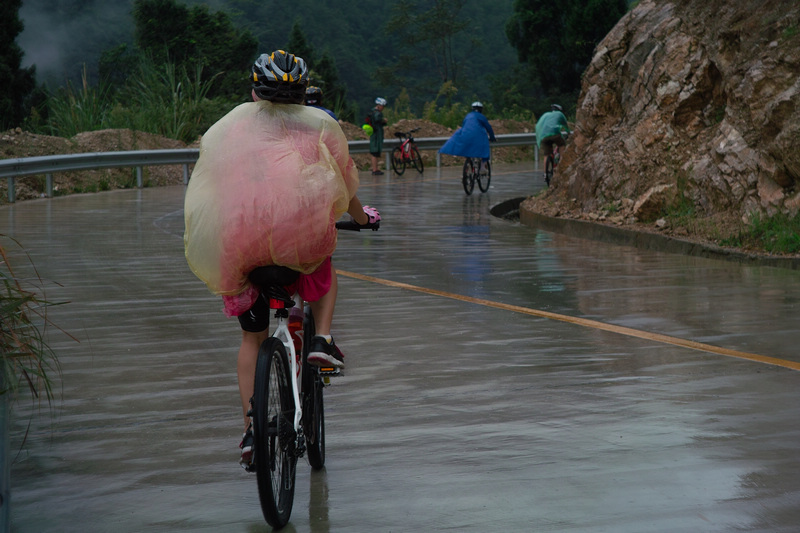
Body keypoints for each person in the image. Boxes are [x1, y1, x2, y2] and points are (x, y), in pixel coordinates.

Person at [183, 50, 380, 466]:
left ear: (255, 91)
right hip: (298, 246)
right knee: (323, 264)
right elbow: (343, 183)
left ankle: (251, 431)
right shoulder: (319, 124)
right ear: (303, 94)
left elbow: (210, 186)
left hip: (239, 248)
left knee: (251, 339)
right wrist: (363, 218)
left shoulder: (227, 127)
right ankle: (322, 340)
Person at [439, 101, 496, 173]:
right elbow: (489, 128)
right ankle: (482, 167)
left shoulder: (468, 116)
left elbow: (464, 126)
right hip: (478, 136)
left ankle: (468, 163)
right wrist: (492, 137)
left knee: (467, 148)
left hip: (465, 135)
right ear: (481, 109)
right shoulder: (481, 117)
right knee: (485, 148)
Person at [535, 104, 570, 183]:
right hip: (555, 134)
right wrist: (568, 133)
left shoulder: (546, 115)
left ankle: (545, 174)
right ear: (560, 110)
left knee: (546, 154)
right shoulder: (560, 114)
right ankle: (562, 163)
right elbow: (565, 125)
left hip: (544, 136)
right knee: (561, 145)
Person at [368, 97, 388, 175]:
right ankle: (374, 169)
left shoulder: (372, 112)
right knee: (375, 152)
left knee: (375, 152)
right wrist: (384, 121)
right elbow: (377, 121)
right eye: (383, 106)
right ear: (379, 105)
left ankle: (376, 168)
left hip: (374, 134)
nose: (383, 108)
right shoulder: (377, 113)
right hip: (376, 135)